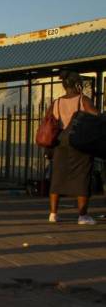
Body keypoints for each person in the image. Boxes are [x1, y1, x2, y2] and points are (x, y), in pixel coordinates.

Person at [48, 69, 99, 225]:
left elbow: (50, 119)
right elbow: (96, 115)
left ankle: (53, 214)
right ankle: (82, 216)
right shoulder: (83, 100)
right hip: (79, 142)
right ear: (78, 84)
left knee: (57, 178)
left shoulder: (56, 102)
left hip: (60, 143)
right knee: (82, 177)